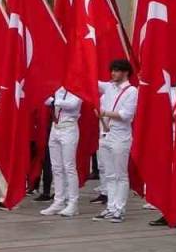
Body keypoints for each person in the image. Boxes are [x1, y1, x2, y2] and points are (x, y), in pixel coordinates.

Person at [92, 60, 137, 223]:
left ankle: (119, 209)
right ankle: (110, 207)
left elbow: (126, 115)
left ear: (125, 72)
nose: (113, 74)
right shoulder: (109, 87)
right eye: (112, 70)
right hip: (105, 136)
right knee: (109, 175)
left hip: (121, 137)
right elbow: (90, 82)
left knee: (120, 175)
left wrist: (104, 113)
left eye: (117, 71)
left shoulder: (132, 91)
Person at [41, 88, 82, 217]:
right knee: (56, 167)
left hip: (69, 127)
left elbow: (73, 104)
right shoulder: (58, 88)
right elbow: (45, 100)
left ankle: (73, 203)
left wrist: (54, 101)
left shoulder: (78, 87)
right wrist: (53, 100)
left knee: (69, 167)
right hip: (55, 127)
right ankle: (58, 201)